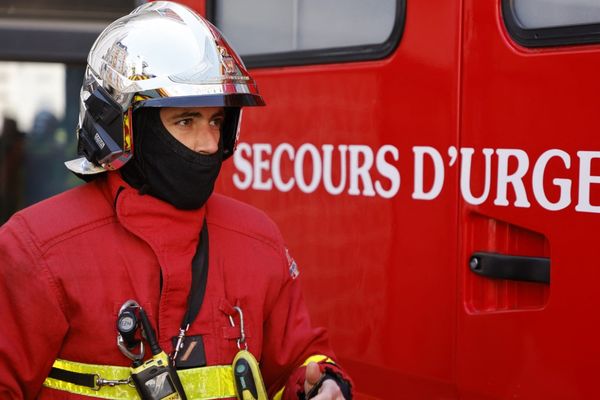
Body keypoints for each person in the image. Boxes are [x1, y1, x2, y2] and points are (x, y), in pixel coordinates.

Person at [0, 2, 352, 400]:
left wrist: (321, 382)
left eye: (216, 121)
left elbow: (296, 360)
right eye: (186, 121)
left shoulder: (258, 241)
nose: (209, 144)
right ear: (126, 126)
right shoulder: (36, 250)